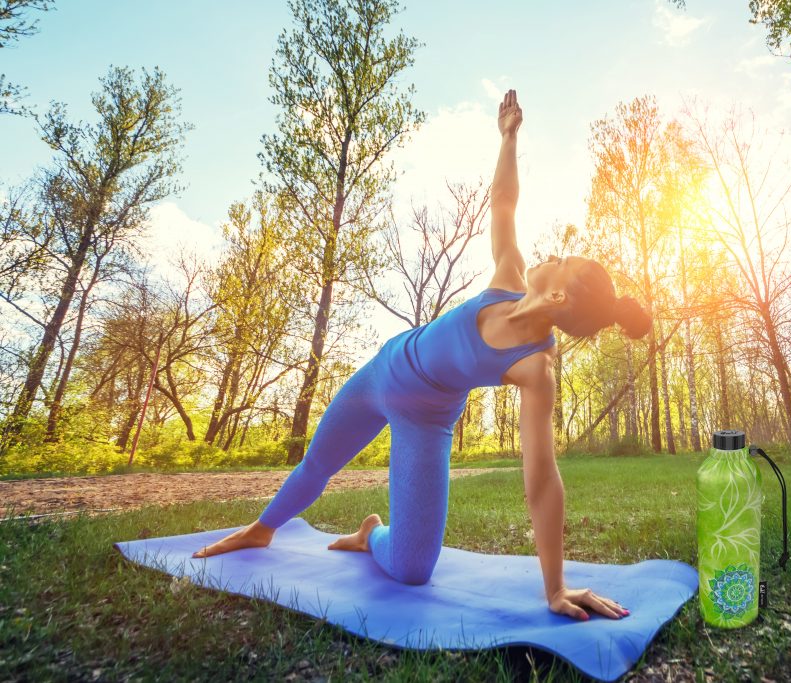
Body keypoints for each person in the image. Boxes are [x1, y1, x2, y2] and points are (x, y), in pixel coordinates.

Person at [192, 89, 652, 622]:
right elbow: (503, 203)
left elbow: (543, 478)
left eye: (561, 261)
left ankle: (372, 534)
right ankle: (262, 528)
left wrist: (555, 587)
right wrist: (507, 137)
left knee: (413, 569)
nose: (550, 255)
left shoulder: (536, 368)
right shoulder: (508, 277)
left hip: (425, 421)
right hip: (382, 371)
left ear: (558, 298)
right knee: (318, 462)